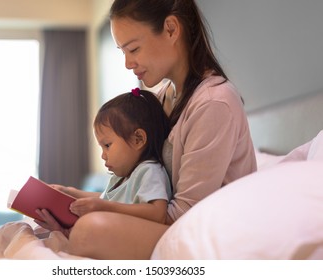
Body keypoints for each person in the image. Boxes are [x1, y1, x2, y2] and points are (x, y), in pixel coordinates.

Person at [36, 0, 257, 259]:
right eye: (123, 52)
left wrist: (96, 213)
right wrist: (76, 200)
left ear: (171, 29)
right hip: (170, 222)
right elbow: (146, 196)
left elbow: (180, 214)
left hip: (204, 231)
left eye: (133, 49)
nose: (128, 63)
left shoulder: (213, 103)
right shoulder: (163, 98)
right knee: (76, 225)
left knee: (88, 231)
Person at [35, 88, 172, 229]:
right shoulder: (121, 177)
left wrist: (106, 207)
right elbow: (105, 199)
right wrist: (69, 192)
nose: (103, 155)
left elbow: (157, 213)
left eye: (107, 145)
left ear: (138, 139)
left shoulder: (149, 171)